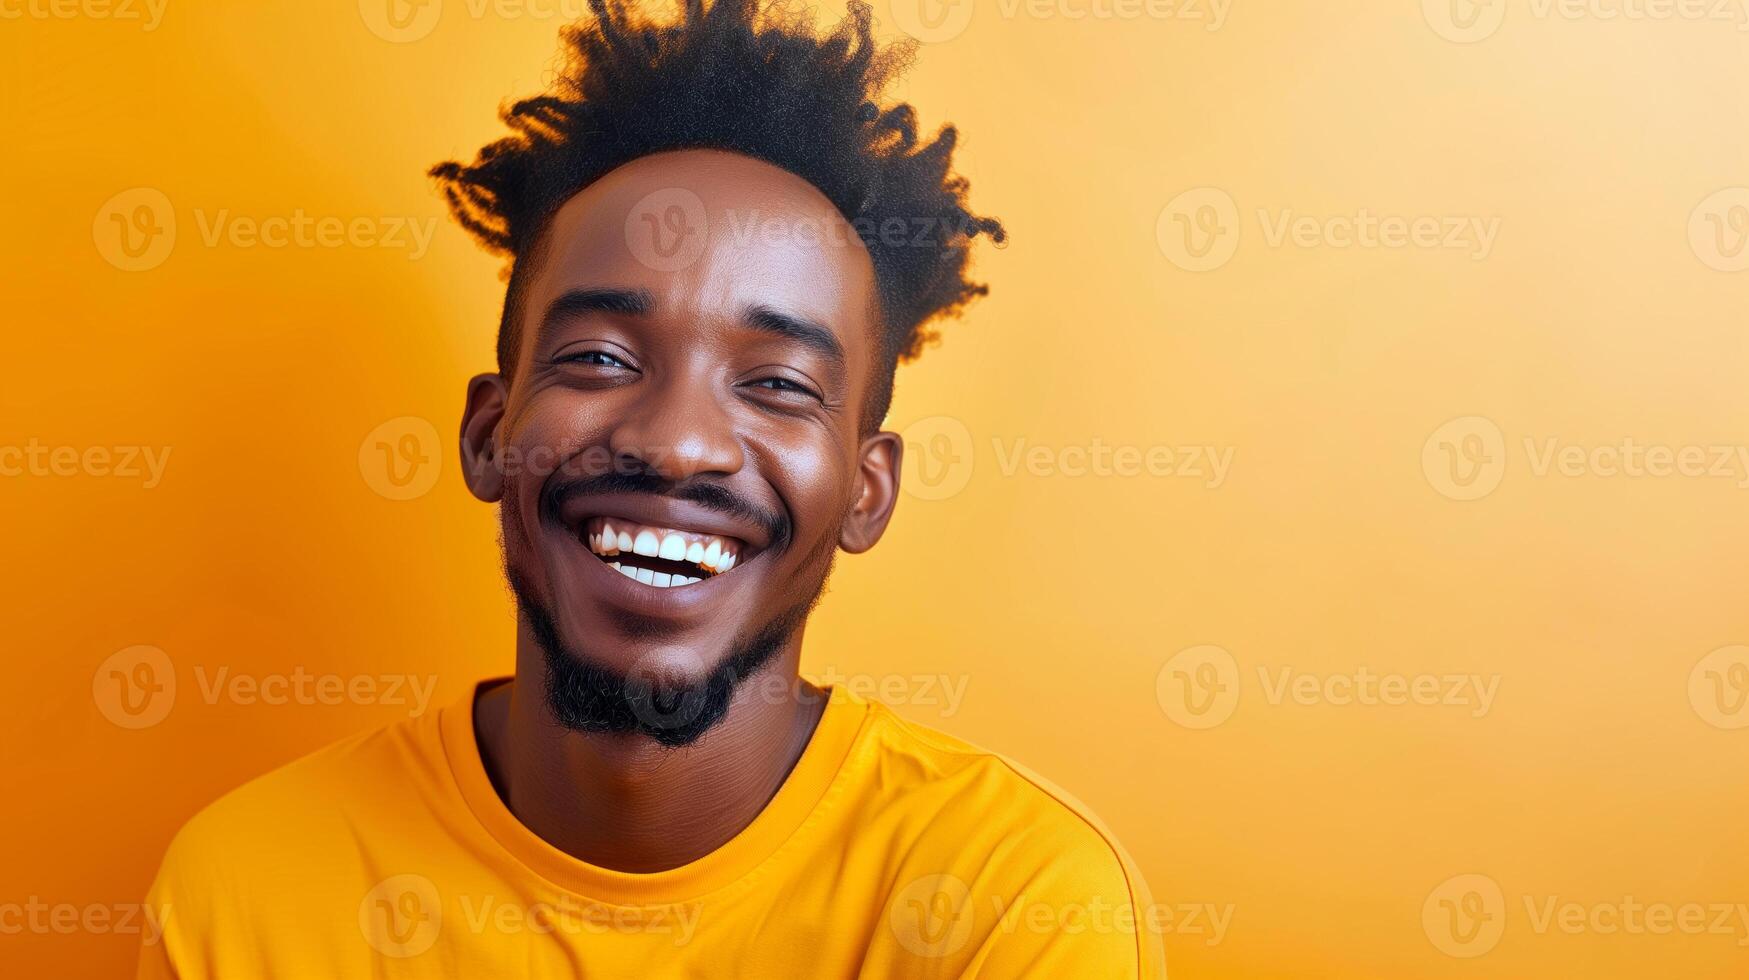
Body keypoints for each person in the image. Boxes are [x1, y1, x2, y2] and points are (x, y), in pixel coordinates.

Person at [139, 1, 1163, 975]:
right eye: (598, 358)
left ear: (866, 490)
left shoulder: (1015, 903)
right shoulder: (247, 886)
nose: (676, 445)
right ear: (491, 433)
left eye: (776, 384)